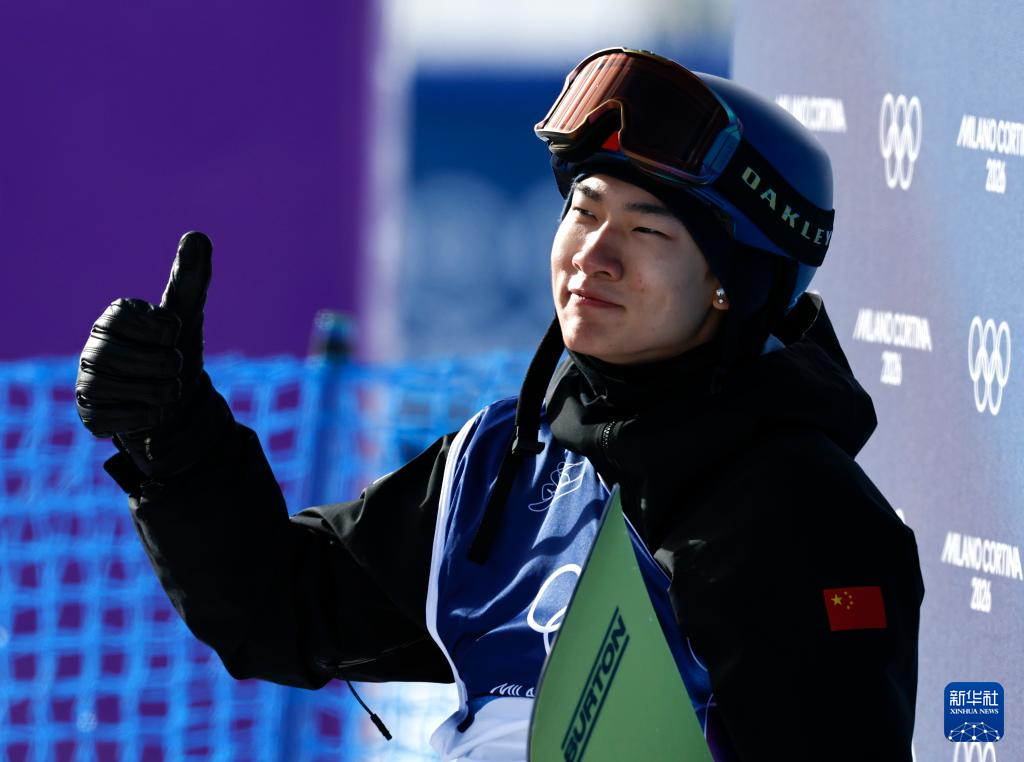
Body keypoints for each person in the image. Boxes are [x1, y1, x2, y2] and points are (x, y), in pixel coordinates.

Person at [75, 48, 924, 761]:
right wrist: (174, 436)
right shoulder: (502, 466)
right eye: (584, 211)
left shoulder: (805, 516)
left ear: (730, 285)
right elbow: (280, 608)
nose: (595, 254)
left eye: (648, 231)